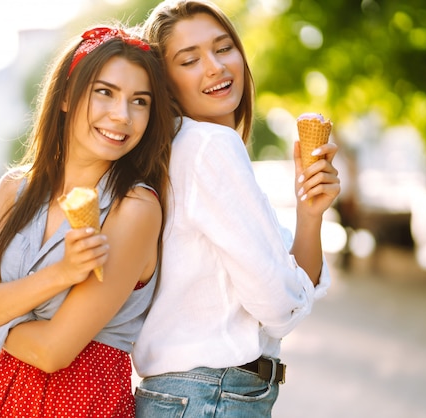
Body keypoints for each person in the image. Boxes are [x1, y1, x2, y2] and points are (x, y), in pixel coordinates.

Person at [132, 1, 341, 417]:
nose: (215, 67)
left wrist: (310, 213)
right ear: (164, 83)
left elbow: (283, 286)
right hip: (212, 396)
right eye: (189, 59)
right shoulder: (210, 146)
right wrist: (290, 288)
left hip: (186, 396)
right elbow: (278, 309)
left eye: (223, 48)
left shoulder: (173, 151)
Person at [0, 25, 175, 417]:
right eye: (104, 92)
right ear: (65, 97)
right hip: (0, 400)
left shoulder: (136, 208)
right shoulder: (14, 191)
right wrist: (61, 274)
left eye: (140, 101)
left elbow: (51, 351)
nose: (122, 115)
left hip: (83, 403)